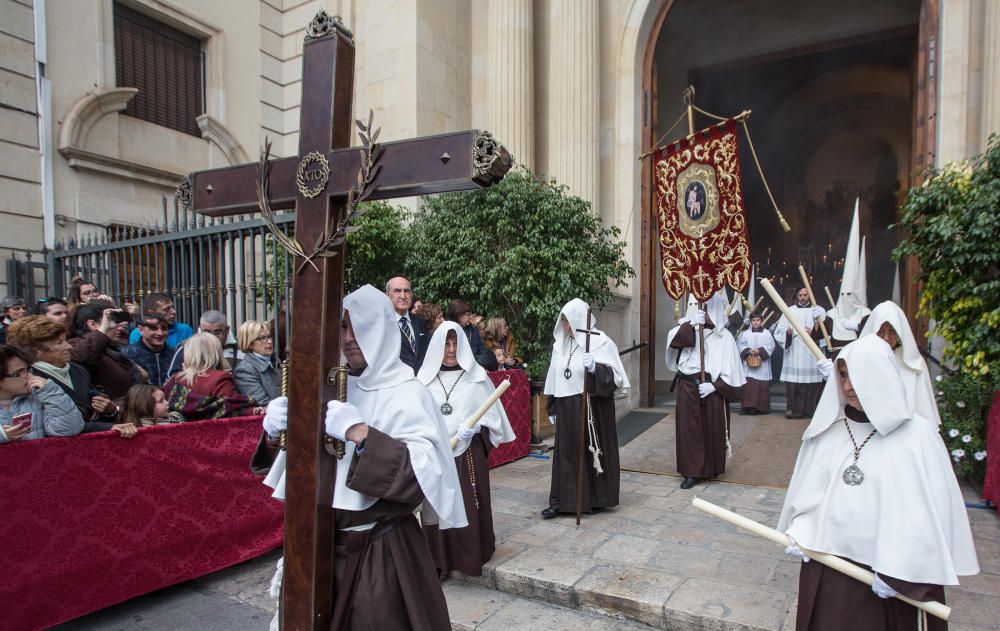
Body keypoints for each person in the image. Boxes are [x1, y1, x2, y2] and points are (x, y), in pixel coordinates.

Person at [253, 284, 465, 629]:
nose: (349, 337)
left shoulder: (409, 393)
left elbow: (421, 479)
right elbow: (300, 467)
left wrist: (362, 434)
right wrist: (277, 433)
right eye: (342, 327)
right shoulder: (331, 386)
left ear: (381, 327)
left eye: (358, 326)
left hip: (379, 555)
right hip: (317, 547)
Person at [778, 336, 979, 629]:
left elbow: (933, 517)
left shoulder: (917, 437)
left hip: (891, 577)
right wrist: (801, 530)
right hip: (830, 568)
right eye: (843, 375)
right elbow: (809, 496)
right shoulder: (826, 431)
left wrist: (909, 570)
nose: (848, 386)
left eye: (857, 375)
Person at [417, 321, 516, 576]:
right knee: (435, 508)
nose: (451, 349)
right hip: (436, 455)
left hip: (467, 455)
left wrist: (476, 431)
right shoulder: (423, 381)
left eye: (456, 343)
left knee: (466, 504)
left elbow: (493, 423)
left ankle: (468, 556)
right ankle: (438, 561)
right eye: (446, 344)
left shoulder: (477, 378)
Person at [542, 299, 629, 518]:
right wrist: (552, 407)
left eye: (569, 322)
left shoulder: (602, 342)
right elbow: (554, 378)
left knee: (590, 454)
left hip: (593, 409)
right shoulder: (560, 345)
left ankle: (593, 500)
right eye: (563, 322)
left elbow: (614, 380)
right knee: (567, 455)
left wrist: (595, 368)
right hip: (567, 408)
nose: (566, 327)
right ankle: (561, 501)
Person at [666, 292, 745, 489]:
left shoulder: (725, 337)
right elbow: (675, 344)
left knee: (711, 429)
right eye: (701, 307)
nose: (705, 312)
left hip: (711, 390)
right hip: (688, 387)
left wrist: (715, 386)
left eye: (709, 308)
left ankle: (710, 468)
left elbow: (733, 374)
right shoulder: (687, 329)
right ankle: (691, 472)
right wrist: (691, 324)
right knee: (689, 430)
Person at [7, 316, 135, 432]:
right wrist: (107, 427)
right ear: (36, 351)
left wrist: (109, 410)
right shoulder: (30, 380)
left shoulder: (78, 370)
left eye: (65, 340)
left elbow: (95, 410)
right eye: (59, 343)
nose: (68, 346)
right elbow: (55, 425)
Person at [858, 300, 940, 427]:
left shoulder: (914, 363)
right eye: (880, 331)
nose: (886, 338)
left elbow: (923, 412)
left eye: (891, 331)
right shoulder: (860, 360)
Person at [162, 332, 262, 420]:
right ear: (217, 352)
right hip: (212, 435)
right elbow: (230, 411)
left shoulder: (175, 379)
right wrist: (255, 410)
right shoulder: (221, 378)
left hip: (179, 434)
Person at [0, 345, 86, 443]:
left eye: (28, 369)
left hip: (39, 456)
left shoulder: (39, 396)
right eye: (18, 374)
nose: (29, 376)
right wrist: (2, 435)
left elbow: (69, 429)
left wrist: (51, 393)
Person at [68, 301, 146, 403]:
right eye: (111, 321)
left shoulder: (112, 347)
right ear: (92, 324)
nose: (120, 327)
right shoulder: (76, 345)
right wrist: (103, 328)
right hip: (110, 414)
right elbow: (84, 357)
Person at [774, 287, 827, 418]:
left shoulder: (817, 311)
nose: (803, 297)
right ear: (797, 296)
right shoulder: (789, 311)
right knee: (793, 382)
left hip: (810, 351)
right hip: (794, 350)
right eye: (800, 295)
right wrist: (788, 333)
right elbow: (779, 330)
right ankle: (791, 409)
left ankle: (807, 410)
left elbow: (826, 332)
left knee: (809, 384)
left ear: (810, 296)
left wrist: (814, 332)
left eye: (805, 295)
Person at [167, 310, 243, 377]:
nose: (211, 337)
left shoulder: (241, 347)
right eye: (207, 332)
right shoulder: (186, 346)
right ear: (200, 329)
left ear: (227, 330)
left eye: (217, 332)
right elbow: (172, 376)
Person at [385, 276, 430, 372]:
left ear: (411, 294)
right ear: (387, 295)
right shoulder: (382, 324)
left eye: (406, 291)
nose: (403, 296)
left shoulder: (421, 322)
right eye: (397, 291)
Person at [233, 320, 281, 406]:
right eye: (262, 338)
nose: (269, 341)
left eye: (269, 337)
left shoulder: (277, 362)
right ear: (250, 343)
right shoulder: (244, 370)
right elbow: (262, 403)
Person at [737, 312, 775, 414]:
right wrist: (748, 351)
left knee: (761, 387)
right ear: (750, 321)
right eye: (753, 320)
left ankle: (761, 408)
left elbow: (771, 346)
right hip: (749, 364)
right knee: (749, 386)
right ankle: (747, 408)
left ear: (761, 321)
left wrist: (760, 351)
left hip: (762, 365)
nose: (756, 322)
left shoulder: (767, 333)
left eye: (758, 320)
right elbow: (740, 345)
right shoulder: (745, 334)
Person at [125, 313, 175, 387]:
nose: (160, 333)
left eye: (164, 328)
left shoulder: (174, 354)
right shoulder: (127, 354)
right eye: (154, 328)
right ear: (141, 330)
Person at [446, 299, 497, 371]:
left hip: (475, 367)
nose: (470, 317)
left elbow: (482, 350)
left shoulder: (472, 329)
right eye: (468, 315)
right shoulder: (447, 330)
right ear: (458, 314)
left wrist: (481, 366)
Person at [128, 293, 194, 348]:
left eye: (172, 307)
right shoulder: (137, 333)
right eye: (166, 309)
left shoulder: (184, 330)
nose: (174, 312)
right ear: (152, 312)